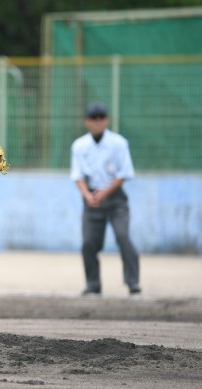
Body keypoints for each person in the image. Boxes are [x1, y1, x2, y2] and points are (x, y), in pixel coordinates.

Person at [70, 102, 141, 296]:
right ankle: (93, 285)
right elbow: (78, 176)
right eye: (94, 118)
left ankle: (132, 282)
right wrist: (87, 195)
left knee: (123, 236)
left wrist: (105, 192)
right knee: (88, 243)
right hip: (91, 198)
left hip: (115, 199)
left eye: (102, 117)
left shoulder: (118, 143)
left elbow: (124, 174)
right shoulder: (80, 146)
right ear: (87, 122)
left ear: (107, 120)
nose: (99, 121)